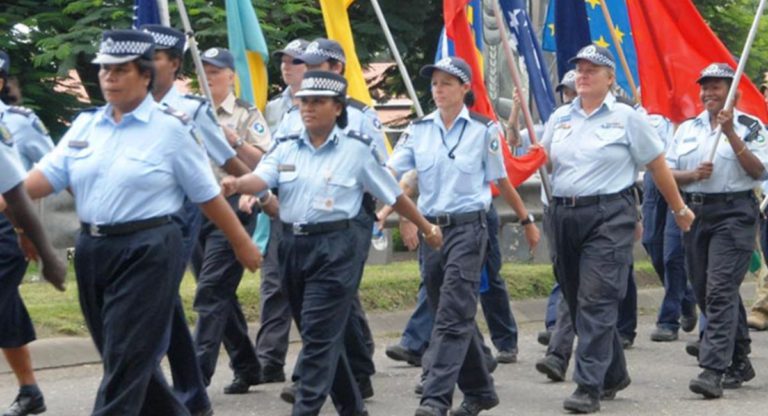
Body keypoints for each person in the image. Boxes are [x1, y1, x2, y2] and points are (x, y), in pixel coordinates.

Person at [21, 29, 261, 415]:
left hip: (149, 248)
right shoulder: (86, 126)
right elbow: (43, 179)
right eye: (104, 70)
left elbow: (206, 195)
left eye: (120, 70)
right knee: (123, 357)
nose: (109, 78)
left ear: (145, 75)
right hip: (93, 249)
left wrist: (240, 241)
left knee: (125, 356)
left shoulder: (172, 128)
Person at [222, 70, 442, 416]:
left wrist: (425, 226)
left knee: (319, 338)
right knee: (316, 334)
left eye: (318, 102)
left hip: (337, 249)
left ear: (337, 108)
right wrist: (238, 186)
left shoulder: (357, 149)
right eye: (304, 101)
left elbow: (393, 194)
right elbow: (263, 176)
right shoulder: (287, 143)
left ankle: (305, 408)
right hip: (293, 246)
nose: (308, 108)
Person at [541, 44, 693, 414]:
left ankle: (587, 386)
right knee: (578, 302)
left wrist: (679, 208)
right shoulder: (560, 117)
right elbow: (540, 159)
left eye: (592, 69)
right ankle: (613, 373)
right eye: (579, 68)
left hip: (609, 215)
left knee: (597, 300)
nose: (583, 74)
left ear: (610, 79)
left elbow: (657, 166)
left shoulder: (627, 118)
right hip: (563, 216)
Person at [383, 56, 539, 416]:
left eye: (447, 83)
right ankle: (481, 391)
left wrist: (526, 219)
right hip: (432, 230)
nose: (438, 89)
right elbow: (393, 172)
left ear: (465, 88)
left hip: (470, 229)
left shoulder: (484, 130)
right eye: (435, 83)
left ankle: (435, 398)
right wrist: (384, 204)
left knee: (453, 313)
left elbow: (501, 180)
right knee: (446, 311)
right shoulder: (418, 129)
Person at [141, 24, 252, 415]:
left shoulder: (191, 110)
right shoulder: (126, 110)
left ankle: (155, 388)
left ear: (173, 63)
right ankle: (196, 389)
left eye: (153, 56)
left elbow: (228, 160)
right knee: (172, 302)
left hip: (185, 216)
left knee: (174, 298)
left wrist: (264, 194)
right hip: (143, 220)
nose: (145, 64)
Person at [277, 38, 385, 402]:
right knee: (337, 300)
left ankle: (310, 377)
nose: (307, 71)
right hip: (302, 218)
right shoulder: (294, 113)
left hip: (349, 218)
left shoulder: (360, 115)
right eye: (304, 65)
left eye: (316, 65)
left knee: (328, 300)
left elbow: (377, 170)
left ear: (337, 68)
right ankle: (357, 373)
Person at [666, 63, 768, 399]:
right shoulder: (687, 129)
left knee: (721, 289)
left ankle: (713, 369)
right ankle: (739, 358)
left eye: (717, 87)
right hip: (696, 212)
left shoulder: (751, 127)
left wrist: (731, 135)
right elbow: (665, 172)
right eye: (705, 87)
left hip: (735, 213)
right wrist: (692, 175)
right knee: (705, 289)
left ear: (733, 92)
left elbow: (760, 171)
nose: (709, 93)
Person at [189, 46, 270, 394]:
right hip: (196, 208)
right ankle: (248, 365)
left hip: (234, 205)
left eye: (216, 70)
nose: (208, 76)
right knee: (220, 293)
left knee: (210, 291)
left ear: (231, 75)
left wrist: (234, 140)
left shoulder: (245, 113)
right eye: (203, 70)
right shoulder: (189, 112)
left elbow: (266, 164)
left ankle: (195, 378)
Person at [0, 52, 65, 415]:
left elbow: (52, 169)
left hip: (6, 229)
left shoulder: (18, 122)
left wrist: (28, 230)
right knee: (6, 312)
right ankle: (30, 391)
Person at [253, 37, 308, 385]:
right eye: (284, 61)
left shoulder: (335, 106)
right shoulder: (274, 109)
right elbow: (270, 157)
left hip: (317, 210)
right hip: (279, 206)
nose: (286, 66)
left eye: (295, 61)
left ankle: (354, 360)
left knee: (317, 291)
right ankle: (268, 359)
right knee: (273, 283)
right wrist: (258, 188)